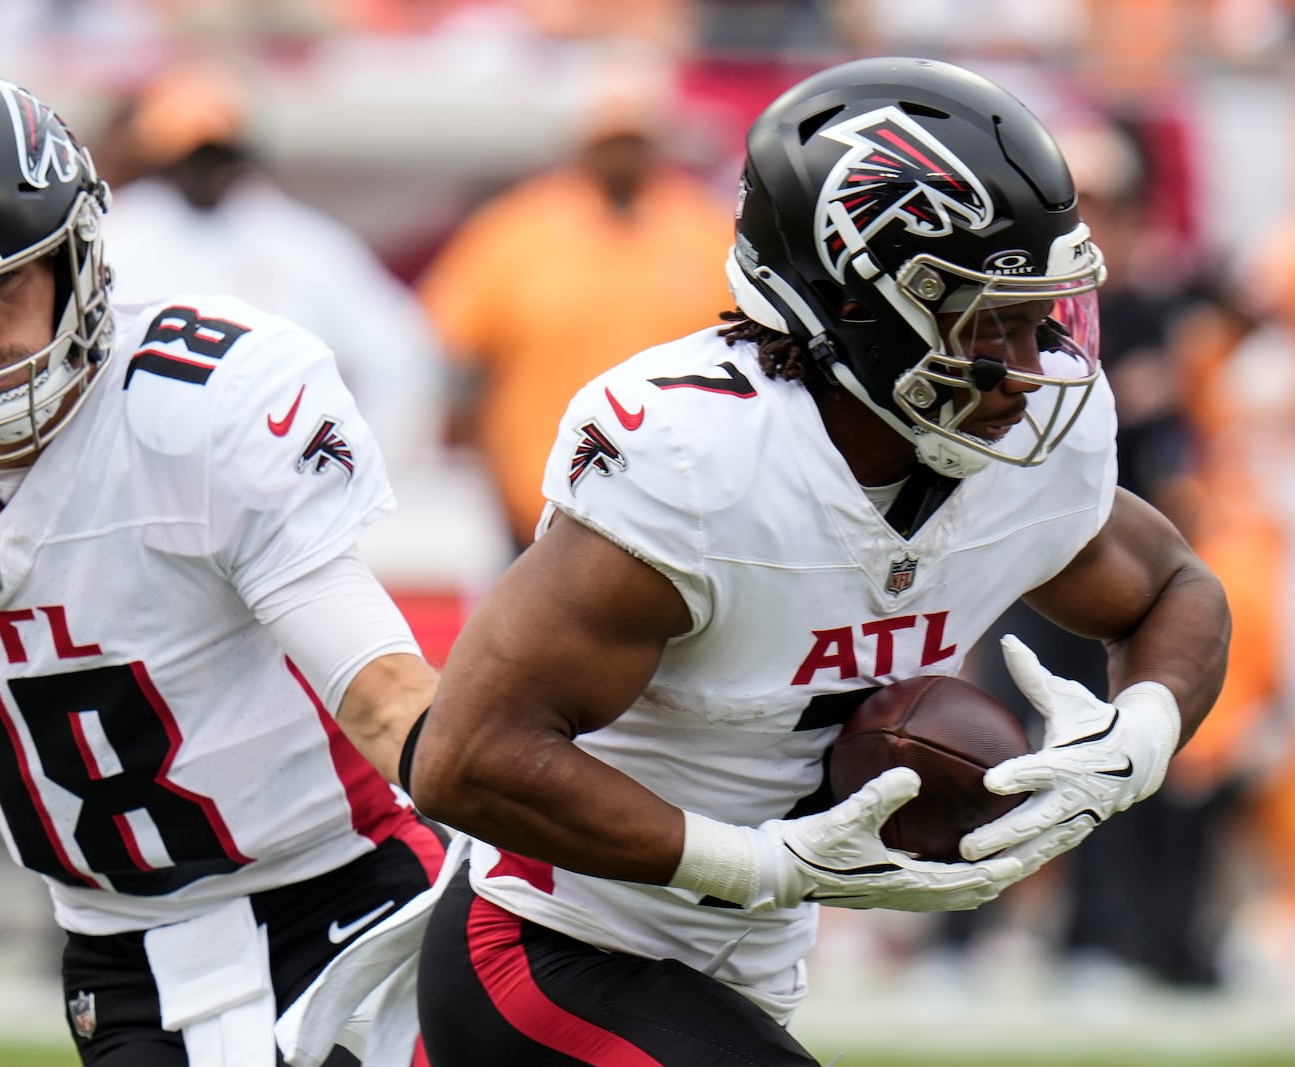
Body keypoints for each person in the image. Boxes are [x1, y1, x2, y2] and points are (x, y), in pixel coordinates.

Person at [404, 56, 1230, 1065]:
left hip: (738, 968)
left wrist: (1131, 744)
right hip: (553, 947)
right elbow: (464, 757)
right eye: (989, 322)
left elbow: (1175, 588)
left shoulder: (1020, 451)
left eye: (1043, 317)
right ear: (857, 308)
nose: (1031, 367)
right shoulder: (702, 462)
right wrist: (755, 860)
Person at [0, 63, 446, 1066]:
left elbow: (381, 693)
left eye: (4, 281)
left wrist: (536, 827)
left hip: (349, 894)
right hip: (118, 952)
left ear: (72, 255)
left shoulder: (208, 402)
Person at [415, 59, 734, 552]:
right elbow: (456, 356)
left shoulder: (707, 234)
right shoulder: (514, 231)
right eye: (608, 143)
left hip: (680, 502)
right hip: (539, 502)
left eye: (633, 143)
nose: (621, 158)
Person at [98, 59, 446, 475]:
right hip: (142, 478)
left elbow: (399, 353)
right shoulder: (118, 237)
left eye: (216, 154)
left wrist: (357, 467)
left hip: (271, 481)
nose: (203, 171)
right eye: (190, 156)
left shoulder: (298, 242)